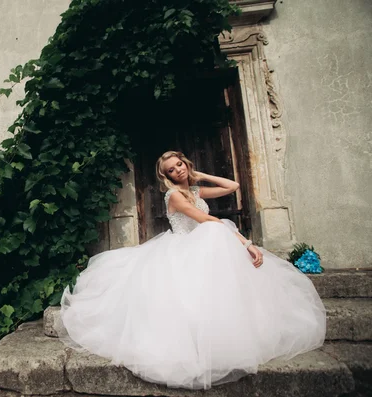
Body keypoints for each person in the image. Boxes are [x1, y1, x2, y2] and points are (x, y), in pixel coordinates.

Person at [58, 151, 326, 390]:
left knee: (217, 250)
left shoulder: (194, 191)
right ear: (167, 177)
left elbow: (232, 186)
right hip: (184, 248)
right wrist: (246, 242)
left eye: (179, 165)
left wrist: (199, 175)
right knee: (215, 230)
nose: (178, 171)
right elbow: (206, 219)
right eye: (172, 170)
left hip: (205, 247)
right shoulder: (173, 195)